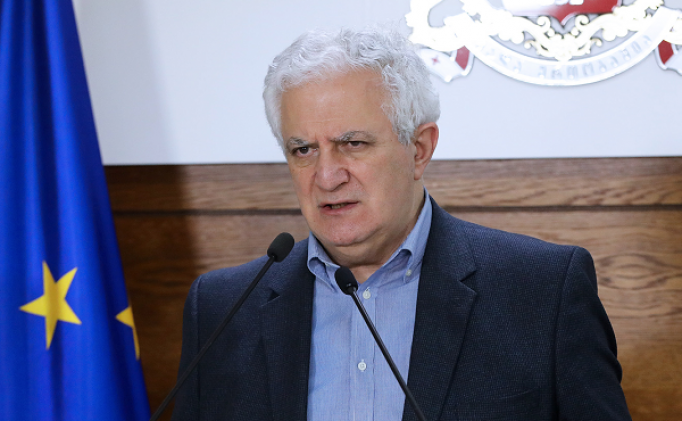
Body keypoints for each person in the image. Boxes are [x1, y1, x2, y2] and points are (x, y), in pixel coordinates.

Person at [171, 27, 631, 421]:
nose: (327, 177)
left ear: (419, 149)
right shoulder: (220, 309)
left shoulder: (542, 292)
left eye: (352, 143)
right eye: (303, 150)